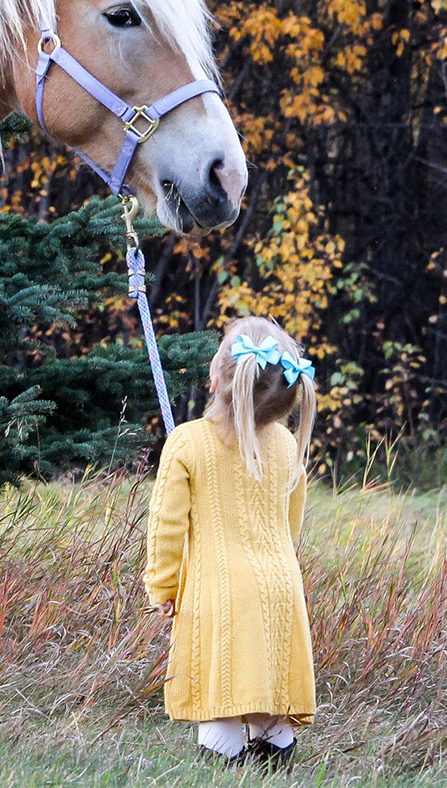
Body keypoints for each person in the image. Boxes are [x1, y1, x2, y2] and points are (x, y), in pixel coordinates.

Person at [144, 316, 320, 765]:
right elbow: (290, 523)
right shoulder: (285, 445)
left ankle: (224, 764)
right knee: (269, 683)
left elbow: (167, 527)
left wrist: (163, 588)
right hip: (282, 585)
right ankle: (275, 758)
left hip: (218, 591)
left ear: (215, 376)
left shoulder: (187, 443)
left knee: (220, 687)